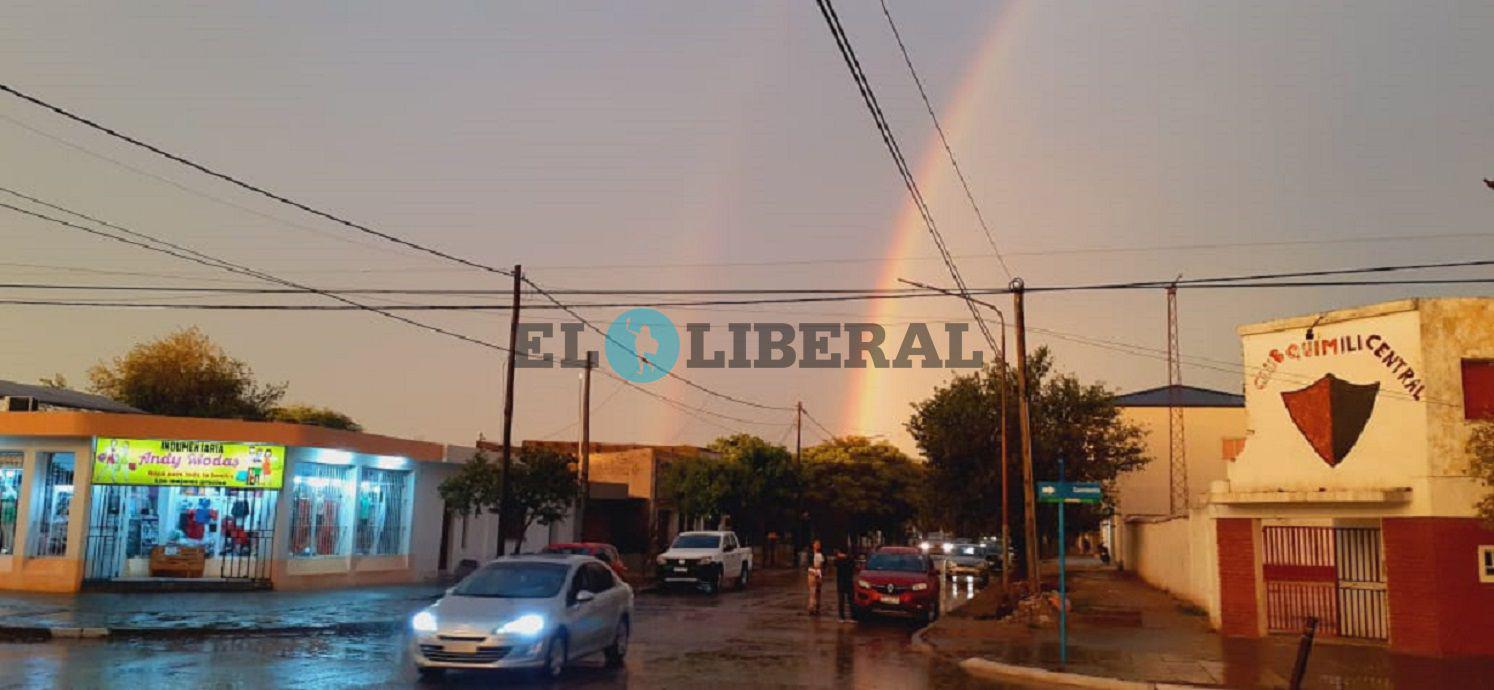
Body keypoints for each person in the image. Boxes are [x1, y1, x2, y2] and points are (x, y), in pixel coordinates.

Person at [834, 548, 856, 622]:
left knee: (843, 600)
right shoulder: (849, 559)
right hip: (847, 581)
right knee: (849, 600)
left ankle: (842, 617)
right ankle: (851, 616)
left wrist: (841, 557)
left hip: (842, 582)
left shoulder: (841, 559)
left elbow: (835, 563)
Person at [806, 539, 825, 615]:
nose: (817, 545)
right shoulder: (811, 554)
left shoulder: (821, 554)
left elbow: (823, 565)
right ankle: (811, 608)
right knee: (812, 591)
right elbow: (809, 564)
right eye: (816, 544)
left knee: (818, 591)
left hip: (819, 572)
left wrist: (820, 573)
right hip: (812, 572)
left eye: (819, 544)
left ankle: (817, 607)